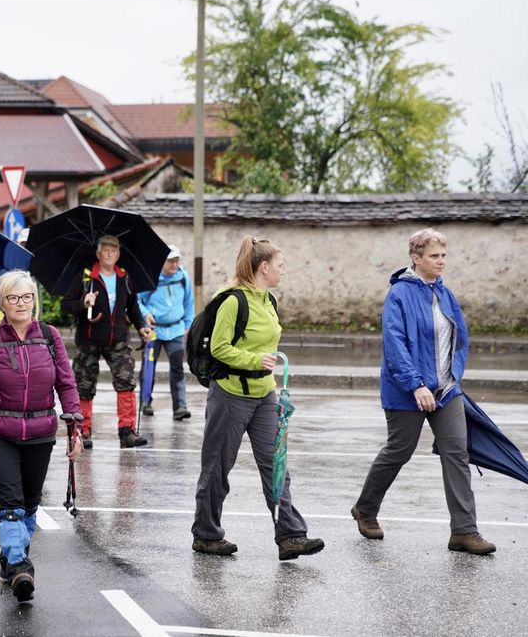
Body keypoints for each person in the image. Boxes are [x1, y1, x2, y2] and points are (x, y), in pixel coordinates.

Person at [352, 229, 495, 555]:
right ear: (416, 258)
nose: (441, 261)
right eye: (434, 256)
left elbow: (460, 339)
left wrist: (454, 376)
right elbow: (395, 345)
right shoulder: (399, 294)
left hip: (446, 391)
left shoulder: (445, 293)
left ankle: (464, 531)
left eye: (443, 255)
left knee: (457, 454)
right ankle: (365, 508)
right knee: (399, 451)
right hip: (406, 391)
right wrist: (415, 384)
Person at [0, 270, 83, 602]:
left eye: (26, 297)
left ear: (34, 300)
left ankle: (10, 557)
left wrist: (76, 425)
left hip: (41, 432)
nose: (20, 303)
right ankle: (21, 566)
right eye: (13, 298)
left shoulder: (50, 337)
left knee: (30, 503)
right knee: (10, 502)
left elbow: (66, 384)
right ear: (2, 304)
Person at [191, 236, 323, 561]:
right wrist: (254, 360)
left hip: (265, 394)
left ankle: (290, 535)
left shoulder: (269, 300)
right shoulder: (233, 301)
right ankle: (206, 535)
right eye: (280, 265)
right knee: (217, 467)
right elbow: (218, 347)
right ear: (264, 267)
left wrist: (271, 378)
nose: (283, 270)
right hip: (230, 394)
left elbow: (265, 344)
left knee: (276, 464)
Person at [61, 235, 151, 449]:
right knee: (84, 385)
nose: (110, 254)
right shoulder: (85, 277)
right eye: (106, 250)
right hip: (88, 339)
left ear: (118, 254)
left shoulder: (124, 278)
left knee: (126, 382)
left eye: (114, 250)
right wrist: (83, 303)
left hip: (118, 339)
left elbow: (133, 309)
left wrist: (141, 327)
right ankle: (83, 430)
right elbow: (66, 306)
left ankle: (127, 431)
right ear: (98, 253)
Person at [137, 246, 195, 420]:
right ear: (162, 261)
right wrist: (146, 313)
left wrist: (188, 326)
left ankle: (180, 407)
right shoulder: (150, 277)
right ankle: (145, 402)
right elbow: (137, 301)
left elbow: (189, 303)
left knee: (177, 368)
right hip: (154, 331)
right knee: (148, 367)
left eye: (177, 261)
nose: (174, 264)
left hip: (176, 330)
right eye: (171, 261)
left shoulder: (183, 276)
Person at [0, 228, 41, 335]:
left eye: (30, 246)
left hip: (24, 332)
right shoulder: (0, 272)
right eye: (24, 245)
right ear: (17, 245)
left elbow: (35, 307)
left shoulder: (29, 275)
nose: (27, 249)